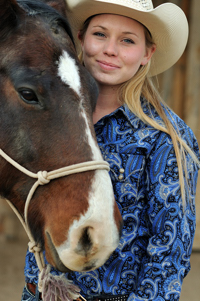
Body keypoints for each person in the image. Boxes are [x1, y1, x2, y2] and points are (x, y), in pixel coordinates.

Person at [22, 0, 200, 300]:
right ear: (80, 38)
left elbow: (169, 255)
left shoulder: (165, 138)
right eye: (100, 34)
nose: (110, 50)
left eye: (127, 40)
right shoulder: (49, 119)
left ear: (147, 53)